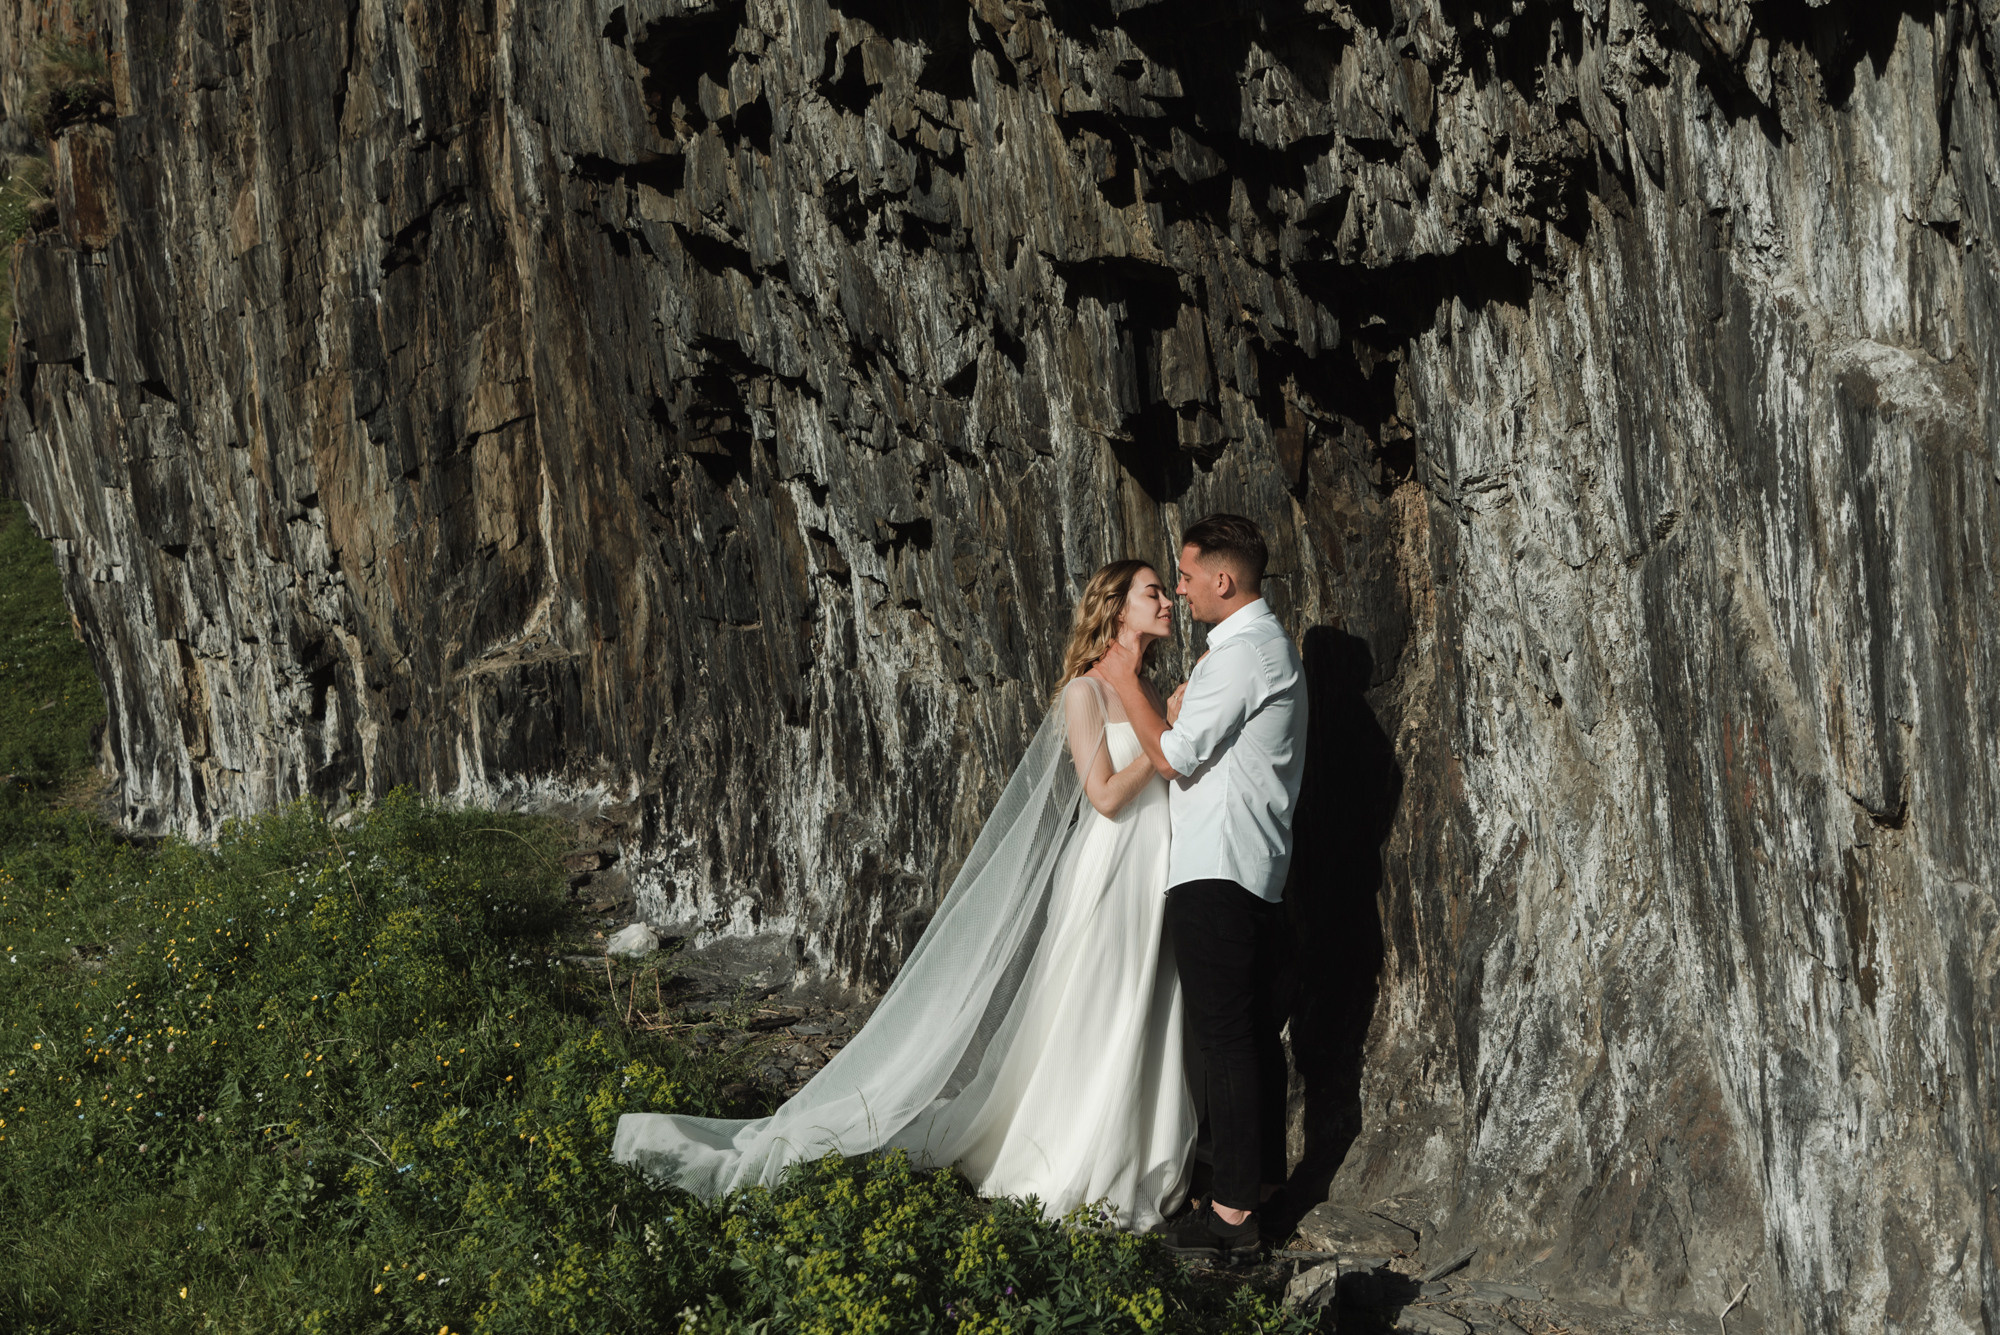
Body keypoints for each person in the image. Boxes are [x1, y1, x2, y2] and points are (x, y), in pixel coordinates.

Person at [613, 559, 1199, 1231]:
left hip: (1156, 865)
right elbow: (1100, 794)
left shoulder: (1151, 686)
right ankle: (1074, 1155)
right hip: (1112, 866)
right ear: (1116, 607)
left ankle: (1135, 1149)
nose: (1166, 600)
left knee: (1149, 1005)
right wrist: (1160, 751)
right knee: (1100, 1007)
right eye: (1152, 590)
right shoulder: (1087, 691)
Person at [1096, 513, 1308, 1263]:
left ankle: (1231, 1218)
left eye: (1185, 577)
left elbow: (1177, 757)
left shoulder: (1243, 653)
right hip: (1250, 868)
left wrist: (1124, 679)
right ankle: (1258, 1185)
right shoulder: (1264, 649)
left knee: (1225, 1040)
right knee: (1247, 1036)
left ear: (1224, 580)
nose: (1180, 590)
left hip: (1219, 866)